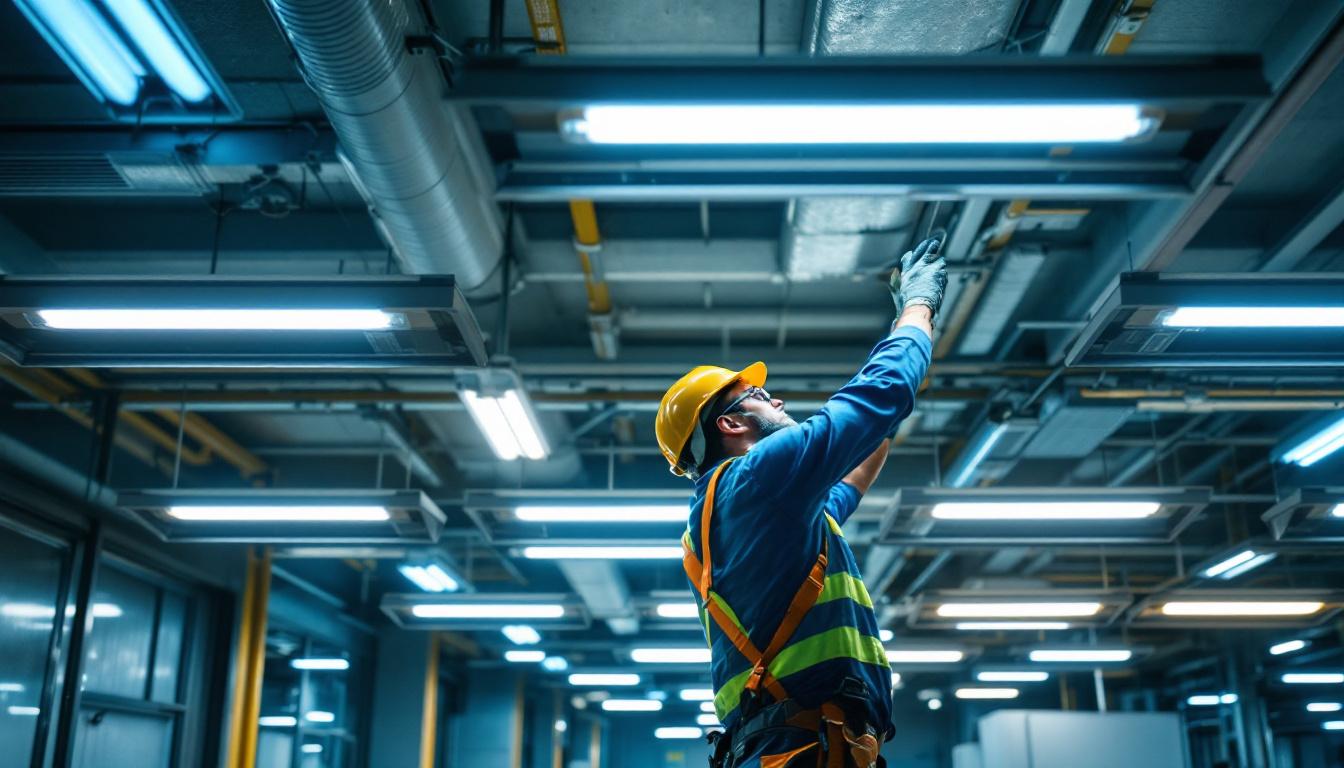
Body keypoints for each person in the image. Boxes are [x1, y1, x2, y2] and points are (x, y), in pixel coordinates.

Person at [654, 236, 948, 768]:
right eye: (760, 396)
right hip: (803, 747)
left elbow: (855, 467)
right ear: (730, 423)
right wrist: (918, 307)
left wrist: (889, 390)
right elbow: (880, 396)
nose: (778, 399)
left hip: (802, 747)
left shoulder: (752, 511)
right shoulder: (758, 479)